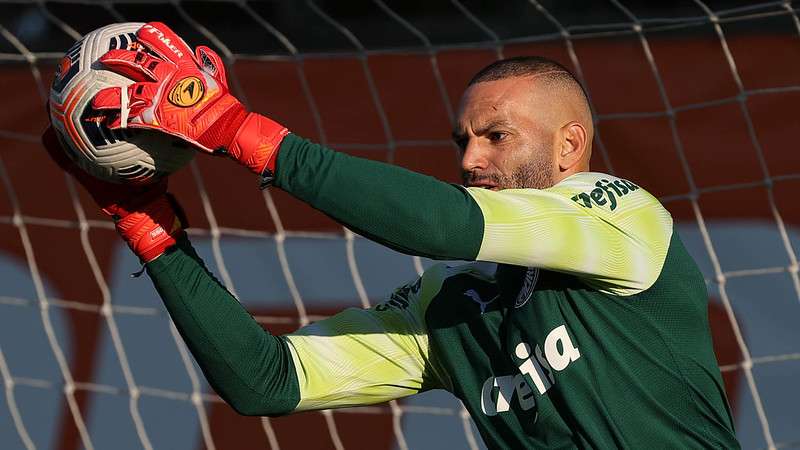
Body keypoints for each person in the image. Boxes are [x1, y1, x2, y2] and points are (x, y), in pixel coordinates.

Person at [44, 22, 739, 449]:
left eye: (496, 137)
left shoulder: (621, 218)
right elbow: (266, 381)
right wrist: (151, 229)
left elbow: (443, 224)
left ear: (569, 146)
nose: (470, 161)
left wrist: (232, 128)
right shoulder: (452, 306)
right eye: (462, 140)